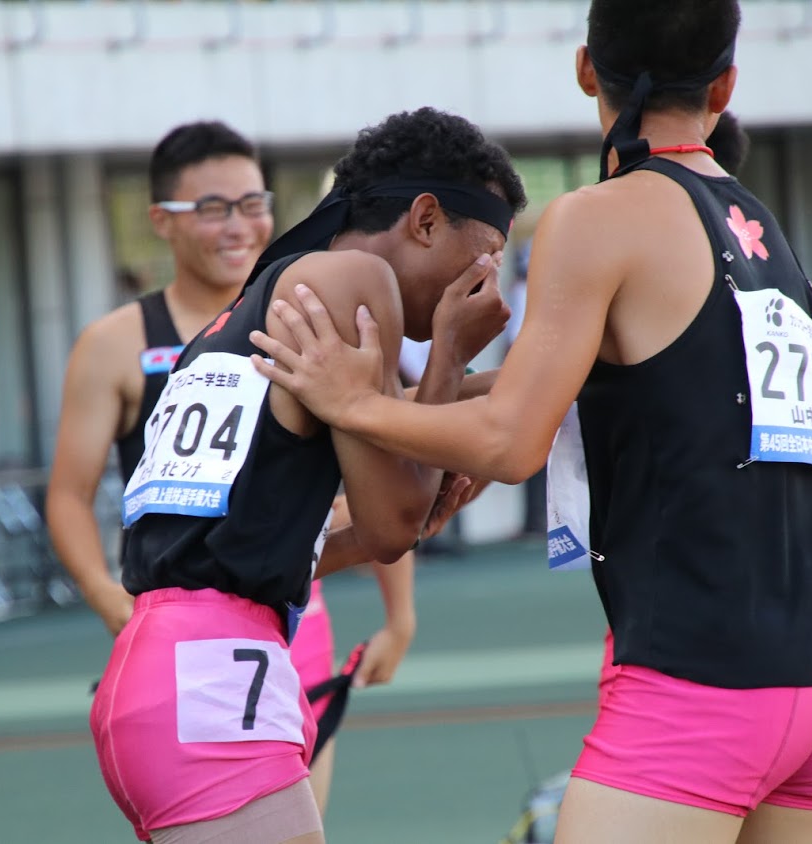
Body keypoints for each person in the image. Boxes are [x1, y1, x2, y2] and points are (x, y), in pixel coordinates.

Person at [247, 3, 812, 842]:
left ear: (587, 69)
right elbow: (626, 387)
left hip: (701, 676)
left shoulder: (601, 214)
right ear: (725, 85)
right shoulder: (762, 229)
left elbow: (513, 442)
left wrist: (351, 402)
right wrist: (440, 386)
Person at [89, 107, 526, 843]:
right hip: (214, 683)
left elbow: (274, 537)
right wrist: (450, 349)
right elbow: (391, 525)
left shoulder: (258, 301)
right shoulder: (356, 278)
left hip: (167, 670)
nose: (488, 283)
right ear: (425, 219)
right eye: (482, 255)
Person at [44, 120, 423, 821]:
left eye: (254, 203)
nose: (239, 225)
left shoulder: (307, 312)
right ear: (161, 220)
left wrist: (400, 616)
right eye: (213, 208)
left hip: (296, 619)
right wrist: (107, 598)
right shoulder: (115, 344)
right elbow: (67, 494)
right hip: (192, 630)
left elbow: (373, 466)